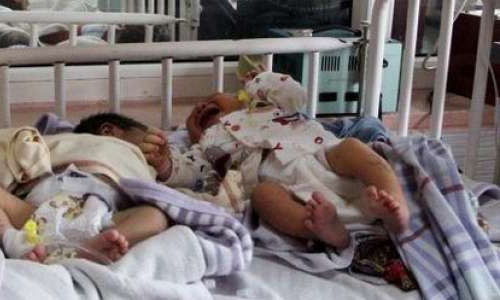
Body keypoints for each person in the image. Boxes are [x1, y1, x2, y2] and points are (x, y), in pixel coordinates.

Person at [76, 72, 409, 250]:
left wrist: (257, 85)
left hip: (320, 155)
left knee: (353, 147)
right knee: (264, 198)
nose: (203, 110)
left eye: (212, 102)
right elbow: (192, 175)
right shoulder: (207, 145)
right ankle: (329, 233)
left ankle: (395, 206)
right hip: (284, 186)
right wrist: (167, 163)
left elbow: (295, 93)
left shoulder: (267, 107)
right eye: (198, 117)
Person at [0, 126, 170, 264]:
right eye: (142, 134)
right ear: (109, 131)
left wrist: (163, 166)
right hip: (37, 214)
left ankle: (87, 249)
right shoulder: (77, 143)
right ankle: (16, 244)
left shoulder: (139, 164)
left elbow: (170, 185)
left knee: (157, 216)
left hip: (103, 222)